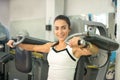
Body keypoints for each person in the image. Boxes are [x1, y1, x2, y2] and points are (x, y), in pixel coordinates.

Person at [7, 15, 99, 80]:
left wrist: (83, 43)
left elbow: (95, 50)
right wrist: (15, 43)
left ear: (69, 29)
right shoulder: (51, 46)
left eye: (63, 27)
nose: (60, 32)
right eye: (57, 28)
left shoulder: (73, 48)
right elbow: (33, 47)